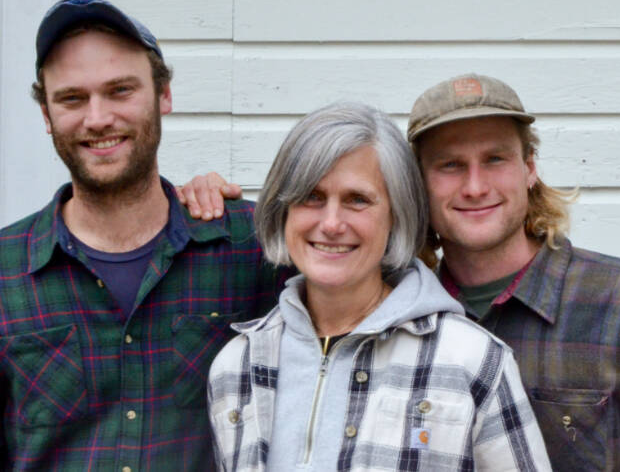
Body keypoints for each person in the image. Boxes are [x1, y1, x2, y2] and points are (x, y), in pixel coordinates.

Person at [181, 74, 620, 470]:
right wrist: (199, 201)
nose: (474, 187)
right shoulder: (268, 347)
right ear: (416, 186)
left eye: (495, 159)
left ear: (530, 166)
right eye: (449, 165)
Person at [0, 0, 282, 470]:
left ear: (163, 95)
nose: (98, 118)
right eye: (72, 98)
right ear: (47, 116)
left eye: (120, 90)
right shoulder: (7, 271)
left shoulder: (250, 247)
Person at [208, 102, 549, 471]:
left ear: (395, 216)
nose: (332, 223)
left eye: (358, 200)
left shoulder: (472, 360)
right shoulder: (236, 365)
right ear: (284, 211)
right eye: (312, 197)